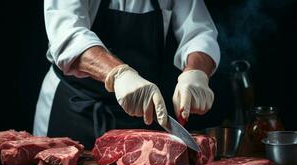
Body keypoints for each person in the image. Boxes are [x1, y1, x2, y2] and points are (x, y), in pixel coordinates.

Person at [34, 0, 220, 148]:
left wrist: (196, 72)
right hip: (73, 109)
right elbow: (68, 35)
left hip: (138, 114)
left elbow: (200, 32)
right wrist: (119, 74)